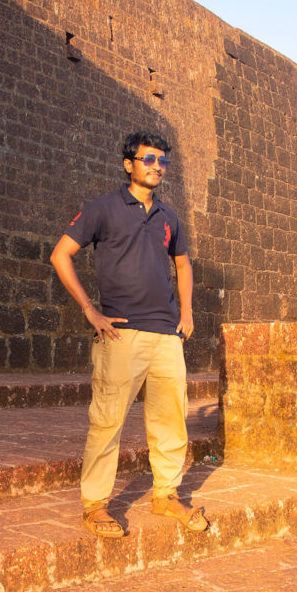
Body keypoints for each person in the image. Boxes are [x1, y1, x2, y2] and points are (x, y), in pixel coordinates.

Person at [49, 131, 208, 538]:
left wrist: (186, 313)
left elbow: (184, 264)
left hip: (166, 335)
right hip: (120, 333)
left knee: (171, 420)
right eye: (149, 159)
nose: (157, 166)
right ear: (129, 164)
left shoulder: (169, 217)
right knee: (107, 422)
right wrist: (90, 310)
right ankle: (96, 505)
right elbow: (60, 254)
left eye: (163, 161)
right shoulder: (102, 209)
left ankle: (166, 495)